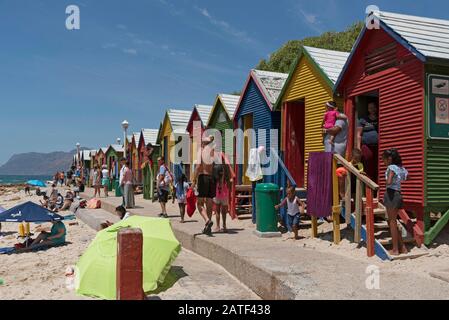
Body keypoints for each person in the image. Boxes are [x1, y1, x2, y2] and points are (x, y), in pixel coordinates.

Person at [383, 149, 409, 256]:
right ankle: (402, 247)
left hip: (391, 194)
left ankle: (395, 250)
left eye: (383, 159)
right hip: (398, 194)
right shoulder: (401, 168)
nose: (383, 162)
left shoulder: (391, 167)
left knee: (392, 222)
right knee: (393, 221)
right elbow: (407, 177)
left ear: (389, 159)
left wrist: (388, 181)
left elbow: (389, 181)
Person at [192, 136, 217, 235]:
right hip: (212, 178)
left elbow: (198, 166)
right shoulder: (213, 152)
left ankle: (207, 220)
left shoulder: (201, 151)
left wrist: (194, 180)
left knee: (199, 203)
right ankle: (208, 228)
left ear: (203, 143)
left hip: (203, 177)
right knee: (209, 203)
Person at [357, 102, 379, 181]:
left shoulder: (380, 118)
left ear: (376, 108)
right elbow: (359, 134)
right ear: (368, 109)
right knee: (368, 164)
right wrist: (358, 147)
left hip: (378, 146)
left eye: (373, 107)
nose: (372, 109)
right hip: (367, 146)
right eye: (370, 108)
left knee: (378, 165)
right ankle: (369, 184)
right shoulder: (363, 120)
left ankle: (377, 183)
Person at [213, 164, 231, 233]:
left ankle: (218, 226)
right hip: (224, 195)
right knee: (224, 212)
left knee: (217, 211)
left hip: (217, 195)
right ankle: (224, 226)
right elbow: (229, 185)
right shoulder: (226, 178)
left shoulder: (216, 177)